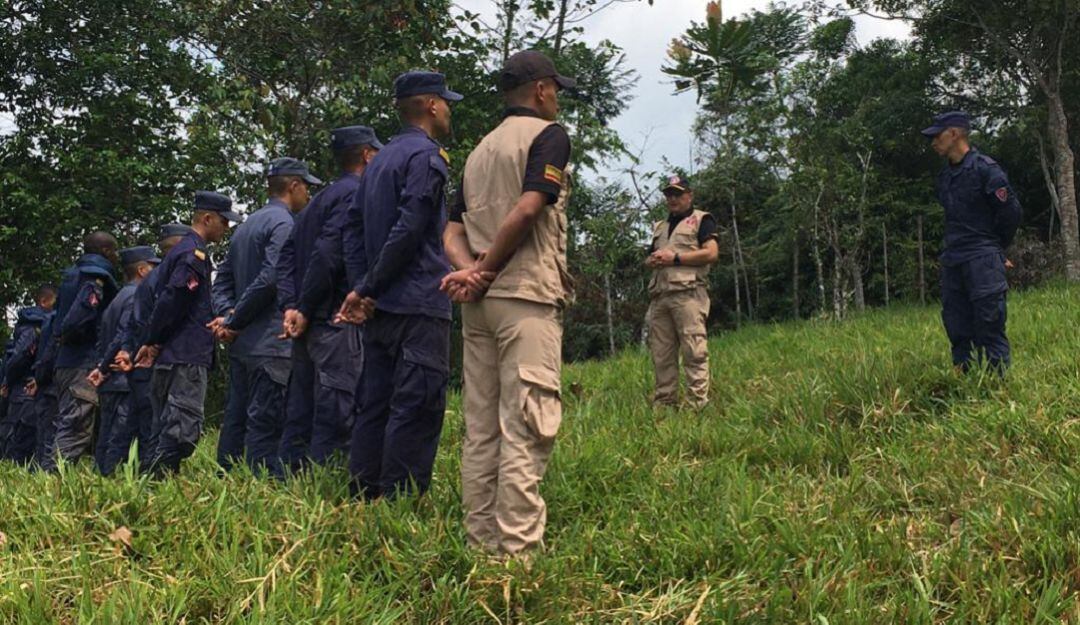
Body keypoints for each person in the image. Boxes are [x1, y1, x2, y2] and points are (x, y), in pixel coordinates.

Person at [441, 50, 575, 556]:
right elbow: (528, 208)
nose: (556, 97)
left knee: (482, 428)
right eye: (555, 88)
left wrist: (469, 272)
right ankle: (517, 558)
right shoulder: (548, 136)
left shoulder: (479, 151)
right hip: (524, 298)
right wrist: (488, 270)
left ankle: (481, 545)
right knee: (525, 425)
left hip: (479, 307)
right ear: (541, 90)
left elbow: (451, 230)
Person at [336, 71, 462, 500]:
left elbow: (352, 229)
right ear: (431, 105)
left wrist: (363, 288)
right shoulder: (426, 157)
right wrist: (367, 287)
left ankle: (363, 494)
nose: (448, 111)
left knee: (375, 402)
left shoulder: (378, 162)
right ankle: (400, 501)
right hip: (419, 301)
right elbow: (411, 226)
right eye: (446, 102)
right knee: (417, 404)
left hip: (381, 308)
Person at [277, 126, 381, 473]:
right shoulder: (355, 194)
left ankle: (288, 481)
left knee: (301, 407)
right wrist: (304, 308)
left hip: (307, 322)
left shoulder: (317, 201)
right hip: (332, 320)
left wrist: (291, 306)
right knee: (337, 407)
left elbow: (286, 256)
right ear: (367, 155)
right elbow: (327, 253)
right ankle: (324, 484)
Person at [212, 159, 318, 474]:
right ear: (294, 186)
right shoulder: (285, 224)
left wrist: (227, 315)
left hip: (243, 345)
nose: (308, 194)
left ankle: (226, 480)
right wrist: (234, 320)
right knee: (267, 423)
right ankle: (263, 485)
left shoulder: (245, 227)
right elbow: (271, 278)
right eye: (306, 187)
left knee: (236, 418)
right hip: (272, 344)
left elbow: (222, 282)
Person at [135, 192, 241, 475]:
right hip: (186, 355)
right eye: (223, 221)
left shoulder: (180, 252)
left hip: (171, 353)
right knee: (181, 430)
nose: (226, 228)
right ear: (207, 218)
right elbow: (173, 300)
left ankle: (149, 484)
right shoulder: (193, 255)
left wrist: (153, 340)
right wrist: (152, 340)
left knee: (164, 427)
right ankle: (155, 479)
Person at [921, 111, 1022, 373]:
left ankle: (997, 384)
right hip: (954, 259)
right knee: (956, 324)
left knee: (989, 323)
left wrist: (996, 249)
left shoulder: (986, 170)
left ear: (954, 134)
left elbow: (1010, 213)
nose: (933, 142)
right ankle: (963, 379)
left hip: (983, 259)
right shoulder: (945, 177)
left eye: (937, 136)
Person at [110, 224, 192, 469]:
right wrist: (151, 344)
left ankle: (125, 473)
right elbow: (144, 323)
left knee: (136, 426)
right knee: (154, 426)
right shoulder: (164, 280)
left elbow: (128, 328)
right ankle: (152, 473)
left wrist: (123, 353)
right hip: (151, 363)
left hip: (139, 363)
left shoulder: (141, 286)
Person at [644, 175, 719, 409]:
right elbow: (648, 257)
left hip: (689, 294)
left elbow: (711, 253)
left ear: (689, 195)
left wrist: (675, 258)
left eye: (678, 194)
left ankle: (696, 404)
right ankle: (664, 404)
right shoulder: (660, 227)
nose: (673, 199)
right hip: (660, 296)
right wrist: (652, 261)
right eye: (669, 194)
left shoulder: (701, 220)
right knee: (661, 354)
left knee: (693, 350)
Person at [87, 246, 158, 475]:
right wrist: (107, 365)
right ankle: (113, 480)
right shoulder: (137, 296)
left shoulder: (117, 298)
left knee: (106, 434)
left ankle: (100, 479)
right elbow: (123, 334)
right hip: (124, 379)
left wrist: (102, 366)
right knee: (121, 436)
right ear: (142, 270)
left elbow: (103, 337)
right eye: (153, 267)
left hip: (111, 380)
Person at [52, 231, 120, 466]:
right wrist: (72, 336)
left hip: (66, 361)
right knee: (76, 427)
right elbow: (77, 317)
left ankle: (52, 474)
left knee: (69, 421)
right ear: (105, 251)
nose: (116, 256)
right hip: (82, 360)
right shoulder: (95, 278)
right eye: (114, 251)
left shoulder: (72, 275)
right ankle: (54, 478)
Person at [0, 285, 57, 463]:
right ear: (43, 301)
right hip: (24, 391)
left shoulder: (45, 323)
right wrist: (8, 381)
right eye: (54, 302)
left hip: (34, 389)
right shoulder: (34, 326)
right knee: (19, 442)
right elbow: (18, 357)